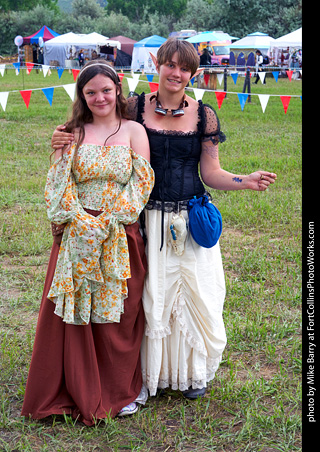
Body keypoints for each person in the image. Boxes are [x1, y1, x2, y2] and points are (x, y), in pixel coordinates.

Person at [51, 38, 277, 400]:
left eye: (184, 68)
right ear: (157, 65)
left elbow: (212, 171)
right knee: (151, 297)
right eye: (170, 65)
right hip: (147, 217)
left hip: (190, 217)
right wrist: (64, 134)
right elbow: (98, 122)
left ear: (194, 72)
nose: (176, 73)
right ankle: (151, 375)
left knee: (197, 293)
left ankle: (193, 374)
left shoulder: (204, 115)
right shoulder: (134, 106)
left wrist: (243, 181)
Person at [21, 60, 154, 425]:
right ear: (82, 95)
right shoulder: (71, 133)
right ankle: (74, 386)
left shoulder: (133, 131)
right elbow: (58, 184)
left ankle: (117, 389)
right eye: (91, 91)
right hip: (76, 234)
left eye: (106, 90)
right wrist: (80, 220)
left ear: (117, 90)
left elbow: (140, 183)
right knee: (76, 314)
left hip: (119, 231)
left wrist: (111, 220)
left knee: (120, 315)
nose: (100, 97)